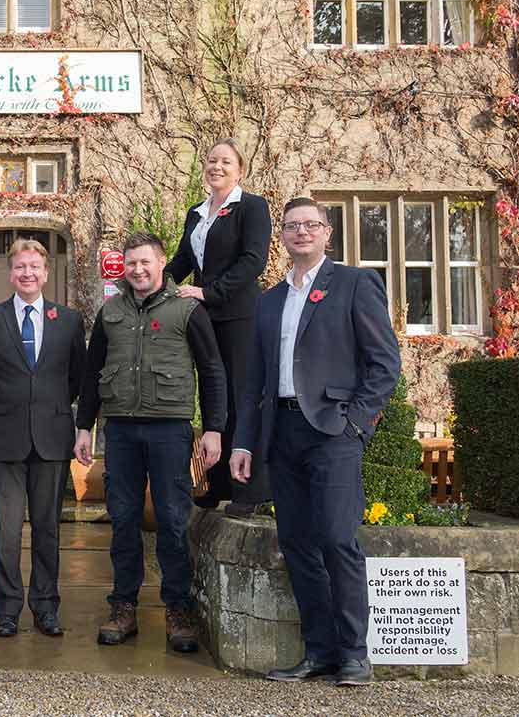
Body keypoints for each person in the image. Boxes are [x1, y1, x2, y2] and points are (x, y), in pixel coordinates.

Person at [231, 197, 400, 686]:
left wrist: (356, 423)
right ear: (281, 237)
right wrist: (244, 442)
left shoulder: (354, 284)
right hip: (280, 432)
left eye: (310, 225)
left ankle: (354, 654)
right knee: (297, 542)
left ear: (328, 232)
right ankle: (320, 651)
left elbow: (384, 363)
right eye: (291, 226)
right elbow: (254, 381)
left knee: (336, 539)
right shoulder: (269, 301)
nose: (300, 232)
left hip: (332, 431)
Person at [73, 232, 226, 654]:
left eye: (145, 262)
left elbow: (212, 371)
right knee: (122, 519)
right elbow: (91, 372)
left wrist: (212, 428)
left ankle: (178, 611)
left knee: (174, 522)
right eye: (131, 263)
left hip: (169, 430)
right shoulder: (111, 311)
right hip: (120, 430)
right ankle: (123, 607)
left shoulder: (188, 310)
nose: (137, 270)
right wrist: (84, 426)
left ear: (161, 264)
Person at [0, 238, 87, 639]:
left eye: (35, 266)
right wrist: (9, 405)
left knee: (48, 528)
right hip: (3, 438)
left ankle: (47, 607)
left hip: (51, 438)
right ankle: (7, 610)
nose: (27, 273)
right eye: (20, 267)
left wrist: (46, 407)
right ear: (10, 272)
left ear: (46, 272)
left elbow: (77, 377)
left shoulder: (68, 320)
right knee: (7, 528)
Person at [166, 138, 272, 516]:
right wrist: (151, 287)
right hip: (205, 316)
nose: (217, 167)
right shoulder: (196, 212)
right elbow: (182, 260)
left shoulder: (252, 207)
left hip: (240, 315)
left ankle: (249, 490)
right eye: (211, 161)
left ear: (239, 169)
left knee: (243, 397)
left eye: (226, 161)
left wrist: (207, 292)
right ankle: (216, 484)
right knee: (213, 398)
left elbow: (252, 262)